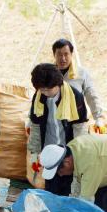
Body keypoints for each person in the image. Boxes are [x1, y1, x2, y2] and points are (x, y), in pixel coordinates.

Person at [28, 62, 89, 197]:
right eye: (42, 90)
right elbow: (35, 126)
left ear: (59, 83)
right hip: (49, 152)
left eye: (48, 90)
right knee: (51, 189)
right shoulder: (38, 97)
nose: (45, 93)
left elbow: (80, 128)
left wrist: (78, 156)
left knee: (70, 190)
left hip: (68, 154)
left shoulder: (75, 97)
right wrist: (34, 152)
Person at [53, 38, 106, 132]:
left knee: (78, 145)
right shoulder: (49, 73)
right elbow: (39, 97)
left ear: (71, 54)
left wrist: (98, 118)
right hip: (54, 121)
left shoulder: (81, 73)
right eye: (59, 54)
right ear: (54, 55)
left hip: (78, 121)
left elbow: (91, 95)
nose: (63, 58)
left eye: (66, 54)